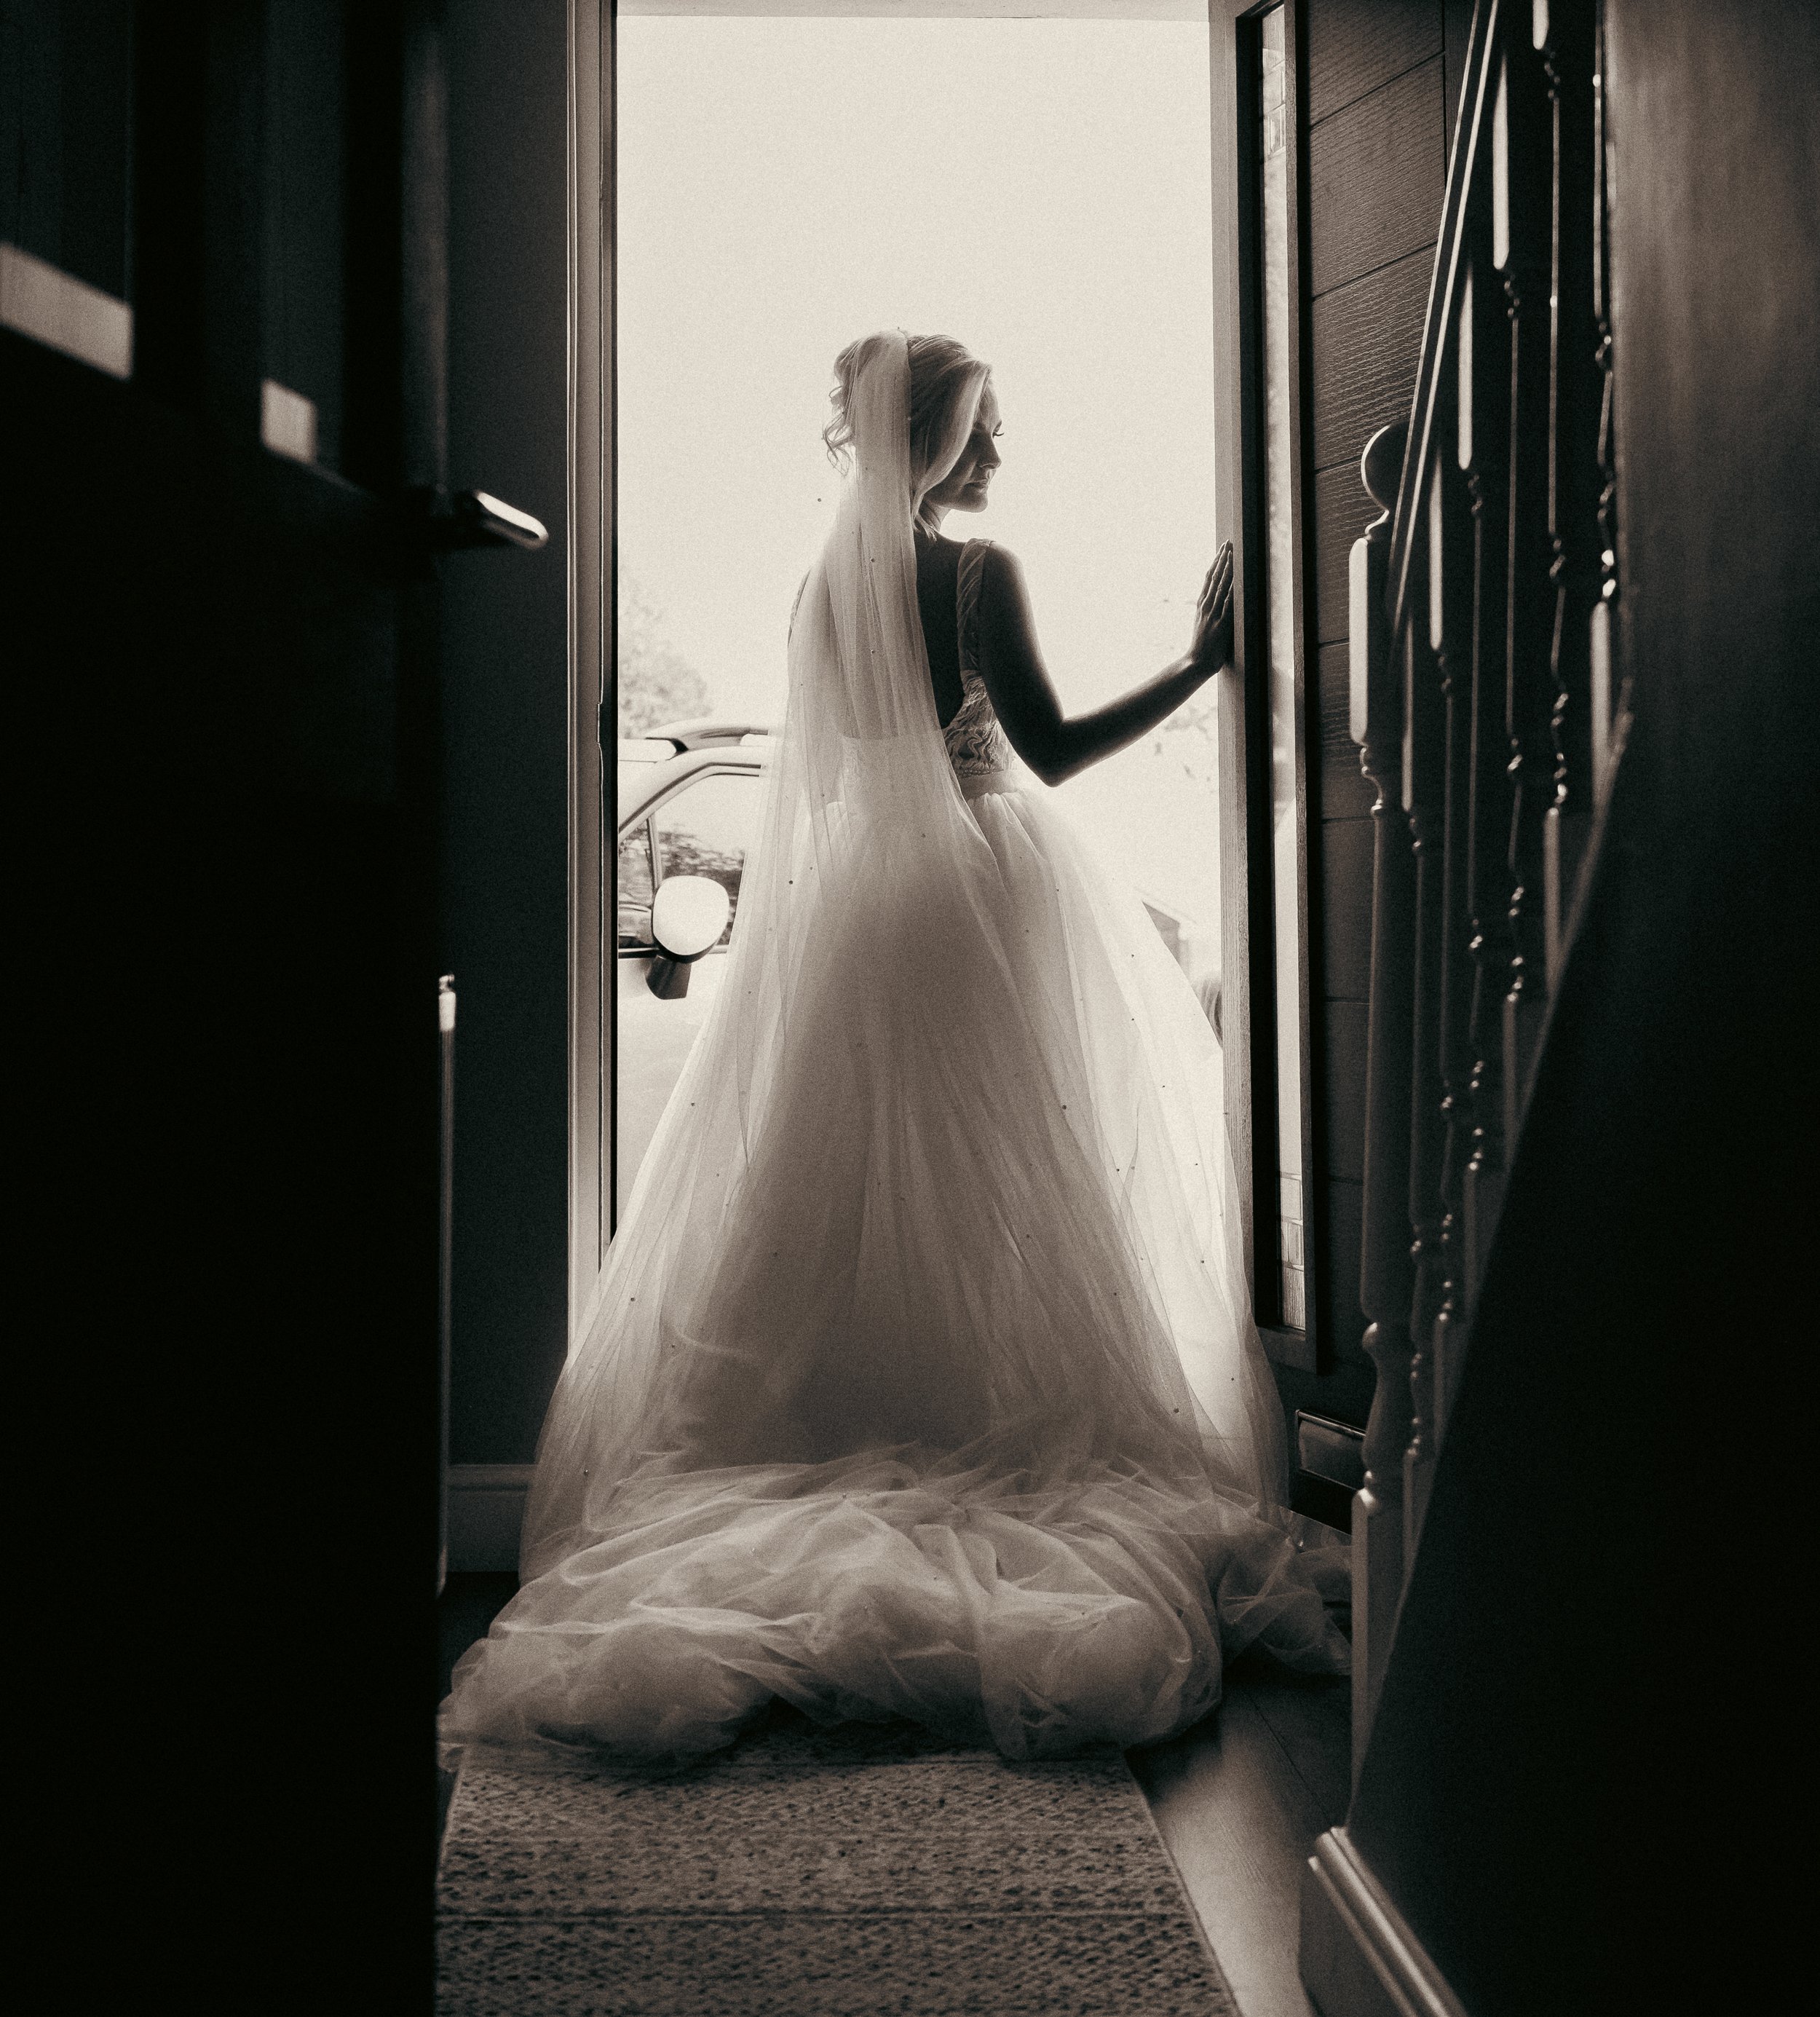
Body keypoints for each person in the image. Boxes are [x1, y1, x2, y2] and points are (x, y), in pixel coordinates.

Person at [440, 330, 1346, 1769]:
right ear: (930, 440)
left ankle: (837, 1438)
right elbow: (1040, 749)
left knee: (848, 1198)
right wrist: (1195, 667)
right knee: (1010, 1199)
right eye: (982, 430)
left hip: (860, 914)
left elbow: (832, 774)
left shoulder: (822, 587)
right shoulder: (977, 576)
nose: (996, 455)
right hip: (980, 890)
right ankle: (987, 1431)